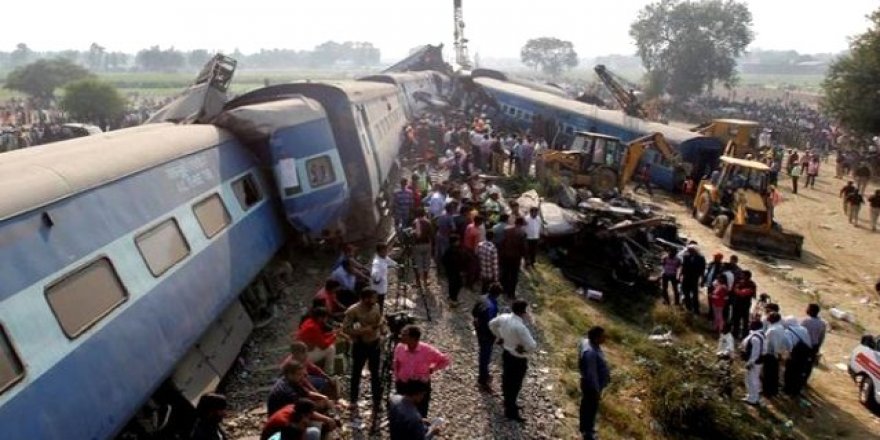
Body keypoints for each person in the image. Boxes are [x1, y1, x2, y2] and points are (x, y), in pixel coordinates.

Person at [489, 300, 537, 422]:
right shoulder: (520, 327)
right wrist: (525, 349)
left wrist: (500, 336)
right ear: (523, 312)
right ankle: (511, 411)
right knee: (515, 385)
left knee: (506, 379)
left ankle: (508, 402)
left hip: (507, 353)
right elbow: (532, 346)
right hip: (518, 359)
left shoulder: (504, 317)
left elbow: (491, 324)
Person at [341, 289, 385, 413]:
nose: (375, 300)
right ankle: (353, 401)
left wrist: (381, 327)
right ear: (365, 298)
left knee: (376, 374)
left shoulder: (376, 306)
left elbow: (379, 318)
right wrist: (363, 330)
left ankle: (377, 402)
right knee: (356, 373)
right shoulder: (353, 311)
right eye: (373, 298)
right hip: (360, 345)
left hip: (374, 344)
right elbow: (345, 329)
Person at [393, 325, 451, 417]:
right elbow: (396, 363)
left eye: (404, 335)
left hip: (420, 386)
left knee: (421, 412)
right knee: (402, 411)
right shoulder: (399, 347)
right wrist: (397, 377)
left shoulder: (427, 350)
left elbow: (445, 360)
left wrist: (432, 369)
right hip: (403, 384)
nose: (401, 336)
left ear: (413, 338)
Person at [267, 360, 334, 417]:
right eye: (299, 374)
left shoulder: (290, 380)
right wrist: (326, 419)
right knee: (318, 409)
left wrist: (324, 397)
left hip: (290, 411)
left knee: (321, 403)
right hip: (282, 420)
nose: (302, 377)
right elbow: (300, 410)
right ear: (290, 374)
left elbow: (306, 393)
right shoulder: (287, 390)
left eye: (302, 374)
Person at [579, 326, 610, 440]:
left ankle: (584, 428)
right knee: (591, 409)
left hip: (589, 383)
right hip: (591, 386)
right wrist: (597, 390)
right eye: (603, 336)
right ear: (597, 338)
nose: (605, 338)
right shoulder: (591, 352)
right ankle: (588, 433)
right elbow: (591, 375)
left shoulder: (587, 342)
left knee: (586, 406)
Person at [472, 283, 501, 392]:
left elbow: (474, 312)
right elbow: (491, 324)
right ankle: (483, 380)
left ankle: (485, 375)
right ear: (498, 294)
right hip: (487, 335)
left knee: (483, 354)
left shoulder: (482, 298)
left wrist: (476, 321)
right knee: (485, 357)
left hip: (479, 330)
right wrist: (497, 336)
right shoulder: (492, 306)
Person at [295, 307, 337, 375]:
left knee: (328, 346)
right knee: (331, 349)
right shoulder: (313, 327)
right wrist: (334, 337)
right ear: (320, 318)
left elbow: (319, 337)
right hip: (303, 356)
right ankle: (329, 372)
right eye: (325, 317)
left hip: (301, 351)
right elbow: (323, 346)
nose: (326, 319)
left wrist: (331, 334)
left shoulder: (309, 321)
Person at [782, 317, 813, 396]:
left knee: (789, 372)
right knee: (799, 372)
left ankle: (788, 389)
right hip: (804, 354)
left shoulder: (787, 332)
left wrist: (787, 355)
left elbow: (789, 345)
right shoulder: (803, 329)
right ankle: (796, 390)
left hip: (795, 354)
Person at [498, 217, 527, 298]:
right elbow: (523, 247)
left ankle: (503, 289)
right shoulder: (522, 233)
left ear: (515, 222)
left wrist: (501, 253)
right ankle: (511, 293)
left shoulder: (506, 230)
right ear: (521, 224)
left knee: (505, 273)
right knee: (514, 276)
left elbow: (502, 242)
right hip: (515, 257)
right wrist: (525, 258)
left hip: (505, 255)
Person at [762, 312, 789, 398]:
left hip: (771, 354)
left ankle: (767, 392)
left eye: (769, 317)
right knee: (774, 373)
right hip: (777, 354)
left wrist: (773, 353)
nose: (767, 318)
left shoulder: (772, 330)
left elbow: (772, 343)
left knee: (768, 373)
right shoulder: (780, 327)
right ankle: (773, 391)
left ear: (773, 319)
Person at [740, 320, 765, 406]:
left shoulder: (755, 338)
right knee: (752, 379)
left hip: (754, 363)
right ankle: (752, 395)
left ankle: (753, 399)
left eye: (751, 324)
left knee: (752, 380)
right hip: (756, 362)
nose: (749, 325)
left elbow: (755, 352)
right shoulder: (759, 335)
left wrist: (750, 363)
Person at [801, 303, 827, 382]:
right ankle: (804, 380)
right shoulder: (822, 323)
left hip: (803, 345)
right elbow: (822, 337)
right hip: (814, 346)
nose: (806, 309)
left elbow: (800, 332)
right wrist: (818, 347)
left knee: (800, 363)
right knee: (809, 364)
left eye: (808, 308)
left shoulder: (805, 321)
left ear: (811, 311)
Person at [370, 243, 398, 313]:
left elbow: (391, 262)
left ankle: (379, 316)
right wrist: (377, 279)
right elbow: (374, 274)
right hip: (377, 287)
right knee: (378, 303)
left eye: (386, 251)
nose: (386, 252)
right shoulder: (377, 262)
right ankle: (377, 317)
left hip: (383, 285)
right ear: (379, 252)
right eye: (384, 251)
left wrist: (397, 265)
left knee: (381, 302)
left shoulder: (384, 257)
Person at [410, 208, 434, 288]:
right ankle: (425, 280)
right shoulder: (427, 222)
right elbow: (431, 234)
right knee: (426, 263)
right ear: (424, 213)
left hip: (417, 245)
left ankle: (417, 282)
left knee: (417, 264)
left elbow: (413, 235)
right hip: (426, 244)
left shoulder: (414, 222)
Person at [679, 244, 706, 314]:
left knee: (695, 295)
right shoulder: (686, 257)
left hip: (694, 279)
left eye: (691, 250)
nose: (689, 251)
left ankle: (696, 310)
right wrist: (679, 275)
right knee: (686, 293)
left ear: (695, 251)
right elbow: (683, 267)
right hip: (686, 278)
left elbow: (703, 270)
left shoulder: (701, 258)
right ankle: (689, 308)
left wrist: (703, 280)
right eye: (688, 250)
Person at [441, 235, 466, 306]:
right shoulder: (453, 251)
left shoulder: (450, 250)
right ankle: (453, 299)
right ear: (454, 242)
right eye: (458, 241)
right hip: (455, 272)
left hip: (451, 271)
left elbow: (443, 260)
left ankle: (452, 298)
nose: (459, 242)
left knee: (453, 285)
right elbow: (457, 261)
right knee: (456, 285)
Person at [704, 253, 725, 319]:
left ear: (720, 259)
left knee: (713, 301)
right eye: (715, 257)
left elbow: (720, 277)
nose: (714, 258)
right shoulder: (711, 263)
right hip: (709, 284)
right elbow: (708, 272)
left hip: (715, 286)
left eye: (716, 257)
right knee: (710, 299)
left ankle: (712, 315)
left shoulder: (721, 267)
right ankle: (710, 313)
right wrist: (704, 280)